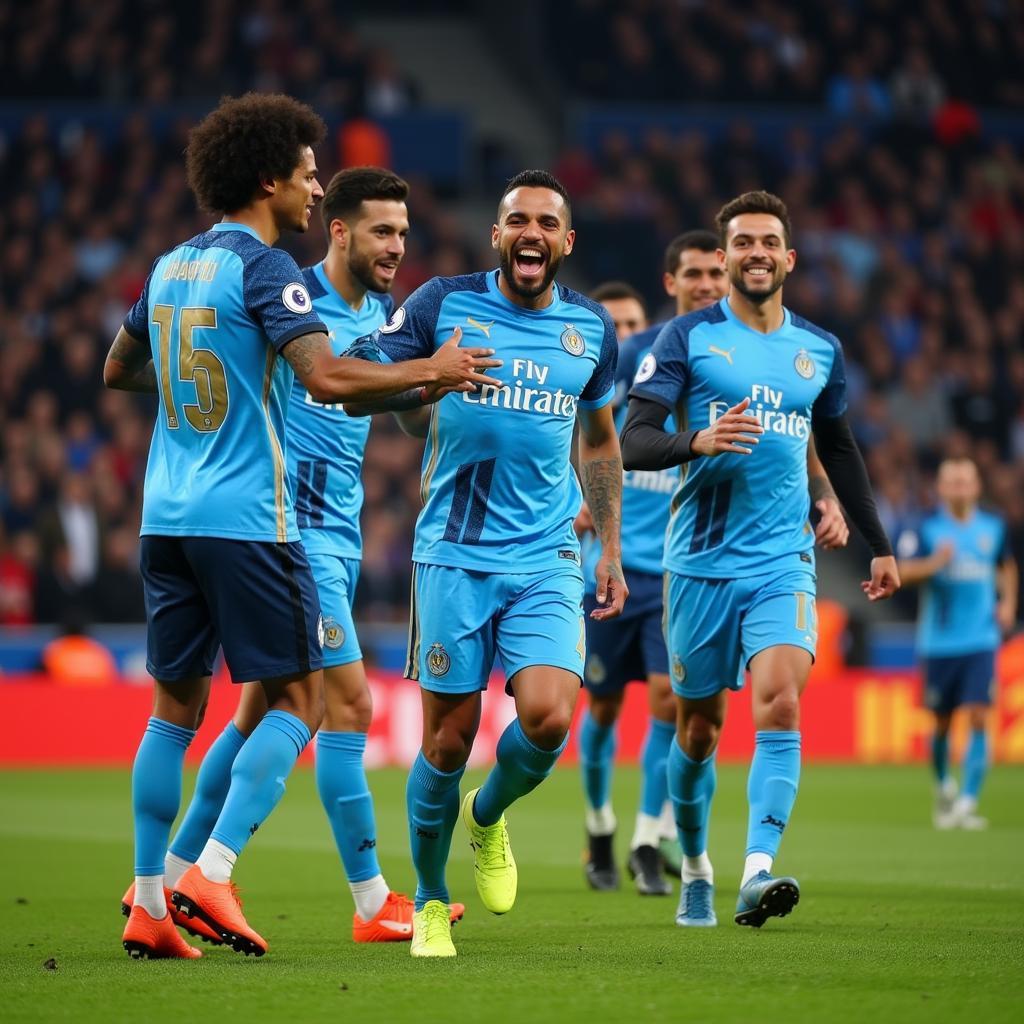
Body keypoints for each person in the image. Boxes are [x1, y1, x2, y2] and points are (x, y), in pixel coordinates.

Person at [104, 93, 500, 960]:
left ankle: (156, 889)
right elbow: (322, 377)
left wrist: (430, 384)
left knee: (209, 710)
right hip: (272, 526)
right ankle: (242, 875)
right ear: (271, 180)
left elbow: (120, 366)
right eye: (311, 176)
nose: (315, 190)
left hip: (172, 513)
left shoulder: (173, 264)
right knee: (327, 699)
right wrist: (429, 366)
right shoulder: (281, 282)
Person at [347, 169, 628, 957]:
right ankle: (431, 902)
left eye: (546, 222)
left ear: (566, 242)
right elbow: (363, 384)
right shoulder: (443, 304)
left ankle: (488, 813)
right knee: (445, 742)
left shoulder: (591, 329)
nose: (530, 232)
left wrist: (608, 544)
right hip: (453, 556)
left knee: (548, 718)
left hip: (546, 556)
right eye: (516, 221)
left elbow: (601, 438)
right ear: (497, 236)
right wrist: (425, 378)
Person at [621, 191, 899, 930]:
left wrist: (879, 544)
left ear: (788, 257)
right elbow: (635, 439)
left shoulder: (819, 350)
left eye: (767, 242)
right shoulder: (685, 339)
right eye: (741, 242)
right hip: (699, 566)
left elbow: (838, 447)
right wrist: (697, 442)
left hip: (782, 561)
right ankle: (696, 867)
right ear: (727, 254)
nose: (754, 253)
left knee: (779, 698)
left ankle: (757, 871)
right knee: (699, 728)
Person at [579, 234, 848, 897]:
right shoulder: (645, 360)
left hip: (707, 563)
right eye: (693, 273)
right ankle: (600, 825)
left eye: (711, 271)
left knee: (682, 704)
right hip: (641, 565)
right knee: (609, 710)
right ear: (672, 280)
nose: (704, 283)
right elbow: (594, 441)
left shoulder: (738, 356)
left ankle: (652, 833)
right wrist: (583, 506)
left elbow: (798, 432)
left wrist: (824, 496)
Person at [897, 457, 1017, 830]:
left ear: (977, 486)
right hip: (938, 642)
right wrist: (935, 563)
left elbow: (1006, 566)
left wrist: (1008, 602)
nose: (960, 488)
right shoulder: (926, 528)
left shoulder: (993, 527)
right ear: (942, 488)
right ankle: (944, 785)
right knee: (942, 723)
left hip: (981, 638)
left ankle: (967, 802)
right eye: (953, 482)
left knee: (980, 714)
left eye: (966, 481)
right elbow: (901, 571)